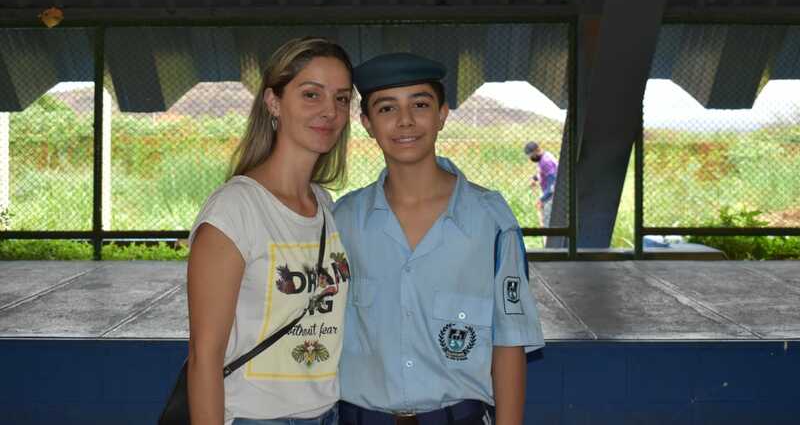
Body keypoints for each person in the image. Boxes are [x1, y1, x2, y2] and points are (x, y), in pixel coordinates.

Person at [334, 53, 545, 425]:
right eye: (386, 108)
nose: (405, 120)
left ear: (442, 114)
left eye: (419, 104)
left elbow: (509, 340)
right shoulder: (343, 220)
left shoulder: (490, 221)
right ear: (367, 123)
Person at [186, 37, 354, 425]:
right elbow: (203, 359)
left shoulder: (324, 205)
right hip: (254, 417)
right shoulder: (236, 209)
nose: (329, 110)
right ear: (273, 102)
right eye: (311, 94)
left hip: (326, 414)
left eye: (342, 98)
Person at [523, 142, 558, 228]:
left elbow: (553, 186)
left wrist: (542, 200)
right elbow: (543, 172)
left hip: (551, 196)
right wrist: (535, 178)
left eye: (532, 155)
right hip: (548, 193)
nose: (531, 158)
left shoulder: (546, 161)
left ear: (537, 150)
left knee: (547, 223)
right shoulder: (544, 157)